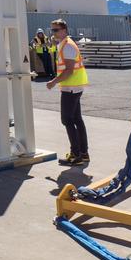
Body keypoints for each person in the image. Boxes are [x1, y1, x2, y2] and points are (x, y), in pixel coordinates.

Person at [46, 19, 89, 166]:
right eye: (52, 30)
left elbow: (69, 70)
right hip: (74, 87)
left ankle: (76, 154)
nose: (53, 33)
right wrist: (55, 41)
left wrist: (53, 82)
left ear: (64, 30)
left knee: (67, 120)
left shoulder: (68, 46)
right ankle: (83, 154)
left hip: (70, 88)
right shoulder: (64, 44)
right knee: (77, 119)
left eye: (56, 30)